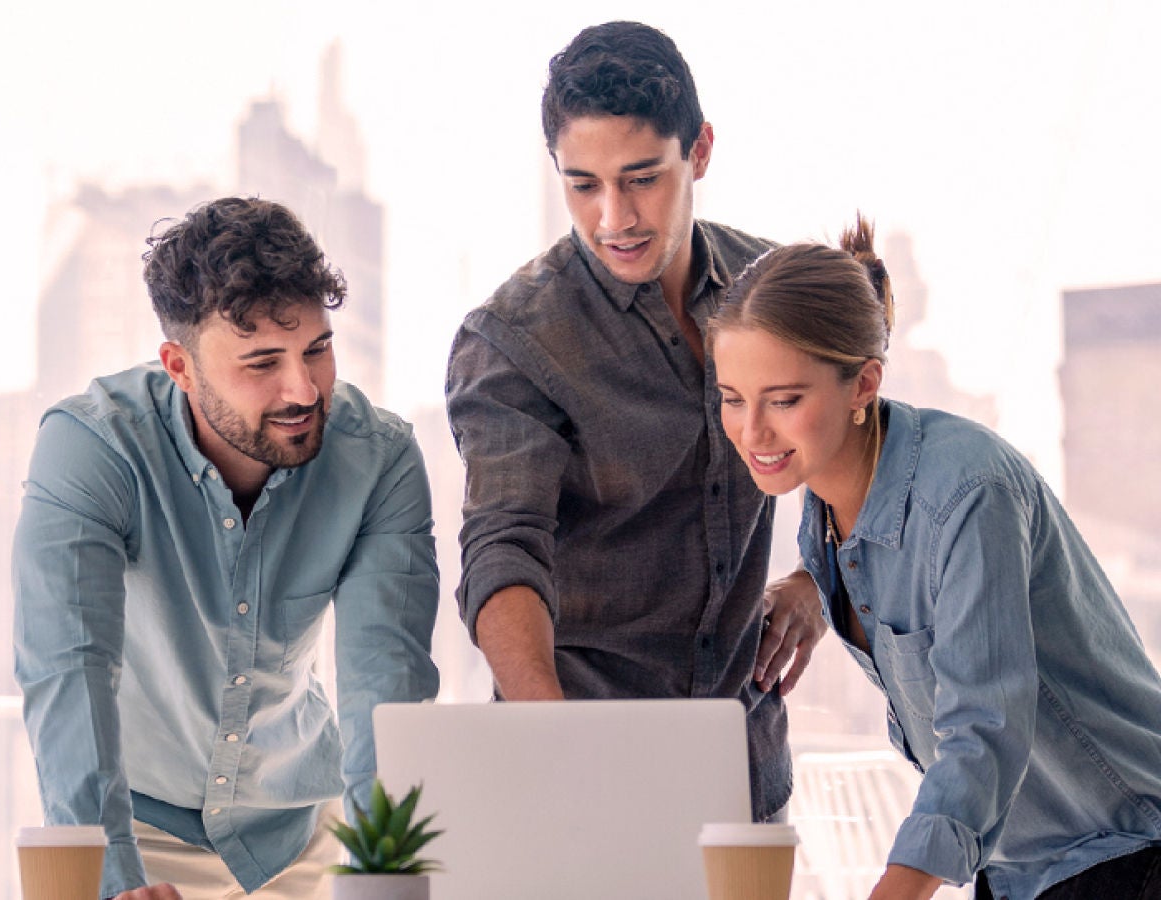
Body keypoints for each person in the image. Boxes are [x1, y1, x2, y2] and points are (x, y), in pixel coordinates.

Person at [708, 214, 1161, 899]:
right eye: (733, 399)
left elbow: (984, 729)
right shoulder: (825, 498)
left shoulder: (969, 490)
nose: (752, 432)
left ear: (863, 385)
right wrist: (811, 583)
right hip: (1015, 870)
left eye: (784, 400)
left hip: (1121, 852)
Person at [444, 20, 825, 822]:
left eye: (642, 177)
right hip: (576, 766)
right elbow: (503, 547)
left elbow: (863, 447)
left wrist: (816, 578)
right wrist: (560, 745)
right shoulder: (515, 340)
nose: (613, 216)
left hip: (744, 769)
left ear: (702, 151)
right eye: (582, 184)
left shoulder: (778, 292)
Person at [14, 197, 441, 900]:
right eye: (262, 363)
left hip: (300, 830)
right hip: (136, 831)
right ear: (180, 366)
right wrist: (114, 883)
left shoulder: (380, 460)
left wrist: (382, 873)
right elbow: (69, 673)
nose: (303, 389)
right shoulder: (92, 448)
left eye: (317, 350)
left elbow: (383, 687)